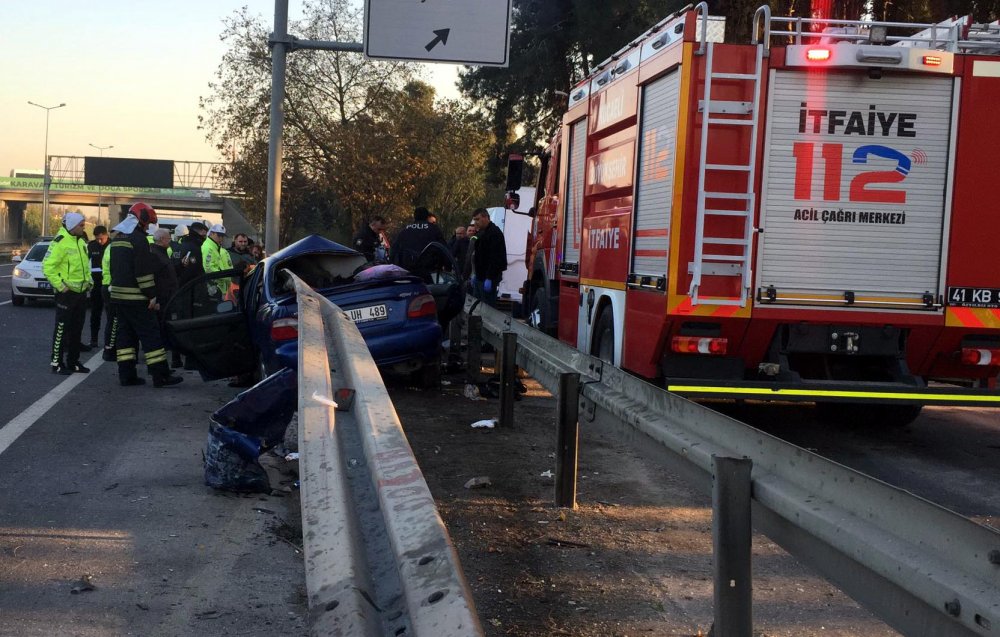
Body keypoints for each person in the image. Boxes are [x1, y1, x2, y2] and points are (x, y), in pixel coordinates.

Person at [109, 202, 182, 388]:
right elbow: (143, 272)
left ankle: (126, 375)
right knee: (151, 335)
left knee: (125, 337)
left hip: (118, 296)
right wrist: (152, 295)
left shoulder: (118, 238)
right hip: (136, 298)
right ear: (141, 219)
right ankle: (160, 375)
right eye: (148, 223)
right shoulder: (139, 240)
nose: (148, 227)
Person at [43, 212, 92, 374]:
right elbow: (48, 266)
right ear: (72, 226)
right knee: (62, 329)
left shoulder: (81, 242)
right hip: (67, 293)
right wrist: (60, 285)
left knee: (77, 329)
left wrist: (89, 282)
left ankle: (73, 362)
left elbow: (85, 266)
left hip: (80, 292)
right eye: (81, 225)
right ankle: (56, 363)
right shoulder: (60, 242)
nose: (84, 227)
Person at [151, 228, 182, 368]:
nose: (170, 240)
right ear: (162, 239)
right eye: (168, 238)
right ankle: (161, 366)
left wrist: (181, 265)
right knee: (161, 333)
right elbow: (155, 279)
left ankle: (172, 362)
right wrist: (155, 299)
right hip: (162, 301)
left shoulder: (161, 253)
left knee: (168, 330)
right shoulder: (155, 255)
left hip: (168, 298)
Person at [389, 207, 446, 280]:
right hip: (428, 271)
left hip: (408, 271)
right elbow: (443, 248)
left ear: (414, 216)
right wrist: (447, 266)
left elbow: (394, 250)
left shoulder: (405, 230)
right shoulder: (434, 229)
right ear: (427, 216)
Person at [470, 208, 507, 307]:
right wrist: (475, 273)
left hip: (489, 277)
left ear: (486, 217)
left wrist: (490, 277)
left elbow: (496, 257)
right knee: (476, 306)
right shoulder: (482, 233)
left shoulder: (494, 233)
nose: (475, 222)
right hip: (480, 275)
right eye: (474, 220)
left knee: (487, 308)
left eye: (477, 219)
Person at [86, 225, 109, 348]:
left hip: (109, 284)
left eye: (102, 239)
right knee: (95, 313)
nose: (100, 241)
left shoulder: (112, 245)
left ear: (106, 235)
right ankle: (93, 339)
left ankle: (110, 342)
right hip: (96, 284)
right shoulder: (91, 246)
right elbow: (86, 263)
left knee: (112, 314)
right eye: (97, 239)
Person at [201, 223, 234, 297]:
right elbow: (209, 268)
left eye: (222, 236)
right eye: (219, 235)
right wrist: (225, 276)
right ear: (211, 234)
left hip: (221, 288)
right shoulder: (208, 248)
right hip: (215, 289)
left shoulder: (215, 247)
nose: (221, 238)